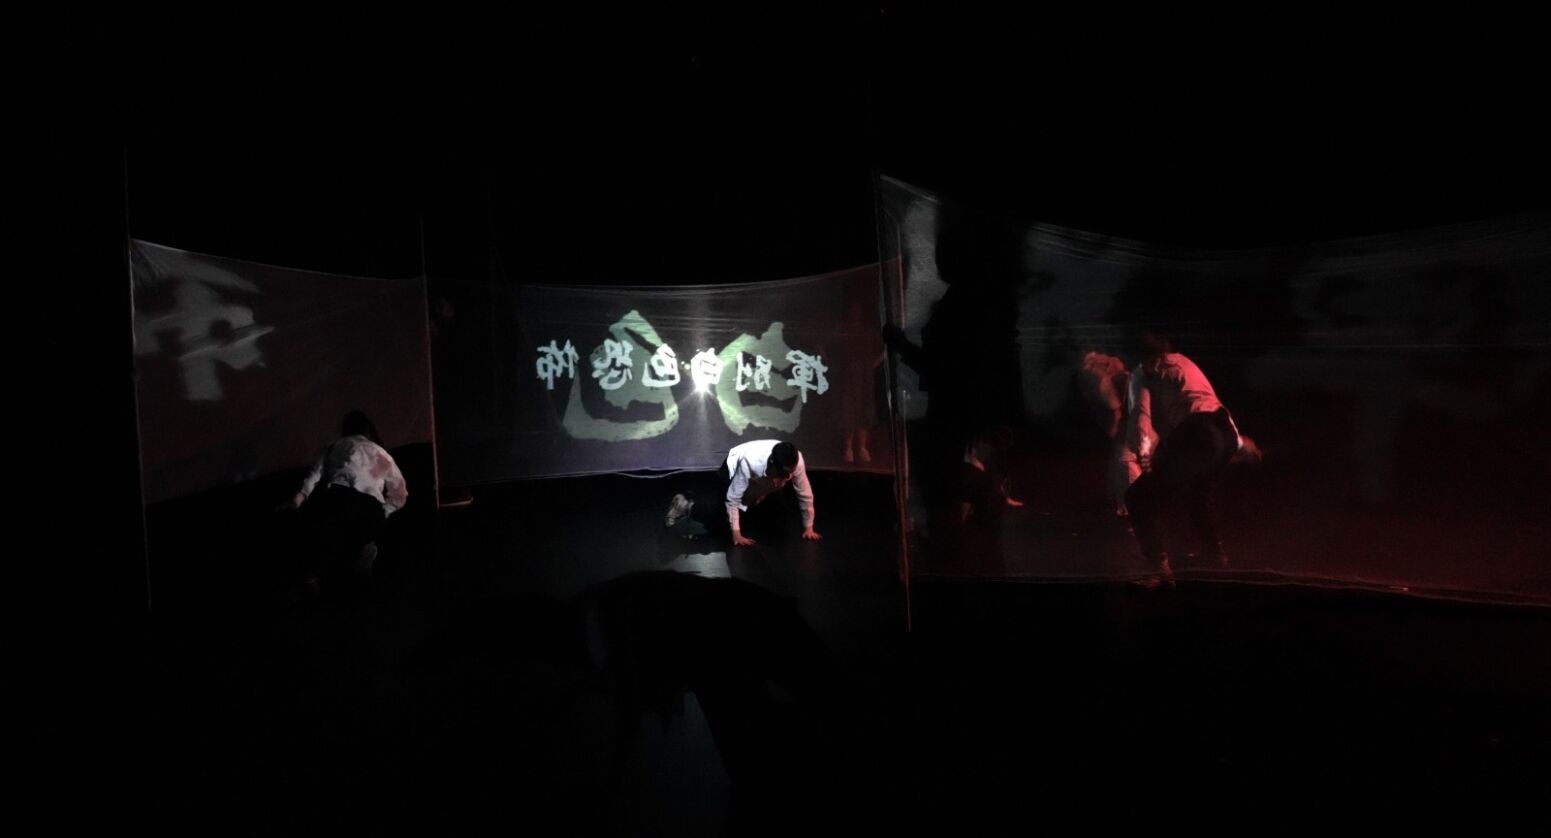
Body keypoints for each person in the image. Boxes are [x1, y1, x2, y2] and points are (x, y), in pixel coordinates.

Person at [1124, 331, 1261, 582]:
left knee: (1137, 498)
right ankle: (1214, 556)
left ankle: (1158, 569)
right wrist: (1240, 444)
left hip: (1198, 435)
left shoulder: (1140, 375)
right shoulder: (1185, 362)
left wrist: (1144, 453)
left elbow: (1141, 416)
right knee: (1197, 493)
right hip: (1225, 432)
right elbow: (1208, 403)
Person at [290, 410, 408, 590]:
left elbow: (312, 477)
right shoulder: (381, 453)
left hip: (339, 501)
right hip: (370, 508)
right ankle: (360, 570)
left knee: (327, 545)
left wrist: (296, 502)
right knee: (357, 546)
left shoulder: (333, 446)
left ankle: (313, 579)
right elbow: (400, 493)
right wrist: (384, 511)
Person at [665, 440, 820, 546]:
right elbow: (732, 500)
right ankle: (685, 505)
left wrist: (809, 527)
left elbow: (804, 493)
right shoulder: (750, 462)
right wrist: (736, 535)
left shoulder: (796, 460)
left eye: (790, 473)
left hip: (760, 479)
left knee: (760, 516)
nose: (788, 478)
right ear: (772, 464)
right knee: (721, 523)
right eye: (783, 474)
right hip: (732, 467)